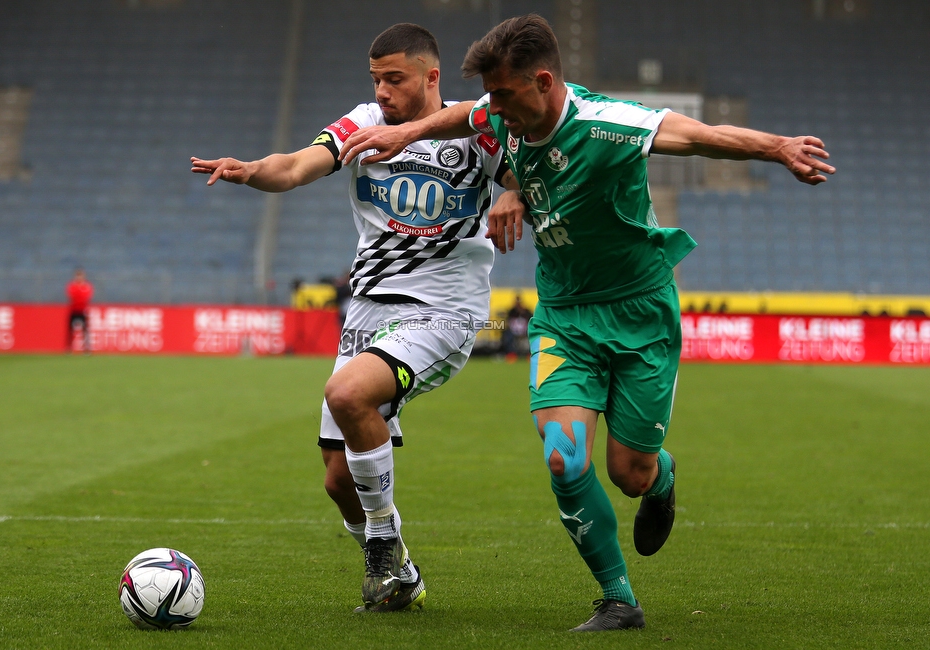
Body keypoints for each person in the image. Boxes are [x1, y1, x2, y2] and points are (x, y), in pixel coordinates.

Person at [338, 14, 835, 631]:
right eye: (488, 94)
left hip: (640, 311)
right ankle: (617, 597)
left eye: (503, 95)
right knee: (564, 461)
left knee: (628, 472)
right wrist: (410, 133)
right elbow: (463, 116)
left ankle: (660, 480)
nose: (491, 109)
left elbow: (699, 135)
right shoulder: (501, 115)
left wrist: (778, 148)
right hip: (565, 317)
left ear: (543, 81)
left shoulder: (611, 125)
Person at [191, 23, 517, 613]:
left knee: (346, 393)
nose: (384, 90)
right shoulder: (363, 123)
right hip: (369, 311)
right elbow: (296, 166)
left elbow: (527, 175)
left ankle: (384, 542)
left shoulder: (474, 131)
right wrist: (253, 171)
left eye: (395, 79)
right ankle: (403, 575)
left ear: (431, 76)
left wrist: (514, 192)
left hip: (445, 308)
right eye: (377, 79)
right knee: (338, 481)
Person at [66, 268, 93, 354]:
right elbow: (72, 296)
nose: (79, 277)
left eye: (80, 276)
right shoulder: (72, 286)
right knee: (70, 330)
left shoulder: (87, 286)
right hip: (74, 310)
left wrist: (79, 294)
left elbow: (85, 297)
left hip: (83, 310)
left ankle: (87, 348)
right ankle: (69, 348)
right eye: (77, 276)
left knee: (85, 330)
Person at [501, 293, 532, 357]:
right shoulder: (512, 311)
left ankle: (530, 353)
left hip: (524, 330)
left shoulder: (527, 311)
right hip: (513, 331)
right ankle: (511, 353)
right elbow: (507, 321)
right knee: (508, 335)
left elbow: (531, 321)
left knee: (532, 335)